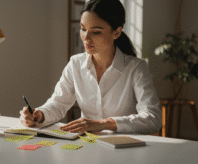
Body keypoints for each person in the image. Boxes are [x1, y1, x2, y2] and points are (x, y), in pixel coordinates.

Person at [20, 0, 162, 134]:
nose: (86, 38)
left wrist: (103, 124)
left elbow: (153, 119)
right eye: (83, 29)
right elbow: (58, 104)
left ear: (117, 33)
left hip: (124, 151)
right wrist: (39, 114)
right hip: (89, 147)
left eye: (96, 32)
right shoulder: (75, 64)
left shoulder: (136, 68)